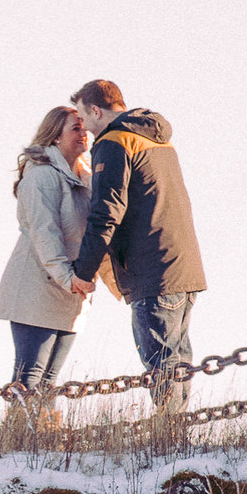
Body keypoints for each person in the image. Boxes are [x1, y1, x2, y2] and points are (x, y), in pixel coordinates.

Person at [64, 78, 208, 416]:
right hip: (183, 264)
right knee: (177, 359)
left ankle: (168, 439)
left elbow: (105, 212)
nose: (86, 131)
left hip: (150, 268)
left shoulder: (114, 142)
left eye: (84, 118)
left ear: (95, 110)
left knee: (160, 361)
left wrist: (83, 273)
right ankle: (175, 433)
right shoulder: (156, 139)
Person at [0, 105, 92, 400]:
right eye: (75, 128)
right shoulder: (42, 177)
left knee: (50, 382)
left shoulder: (85, 178)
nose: (83, 133)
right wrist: (67, 278)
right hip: (38, 284)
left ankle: (43, 444)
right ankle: (18, 442)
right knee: (29, 379)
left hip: (70, 288)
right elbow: (44, 232)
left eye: (84, 126)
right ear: (55, 137)